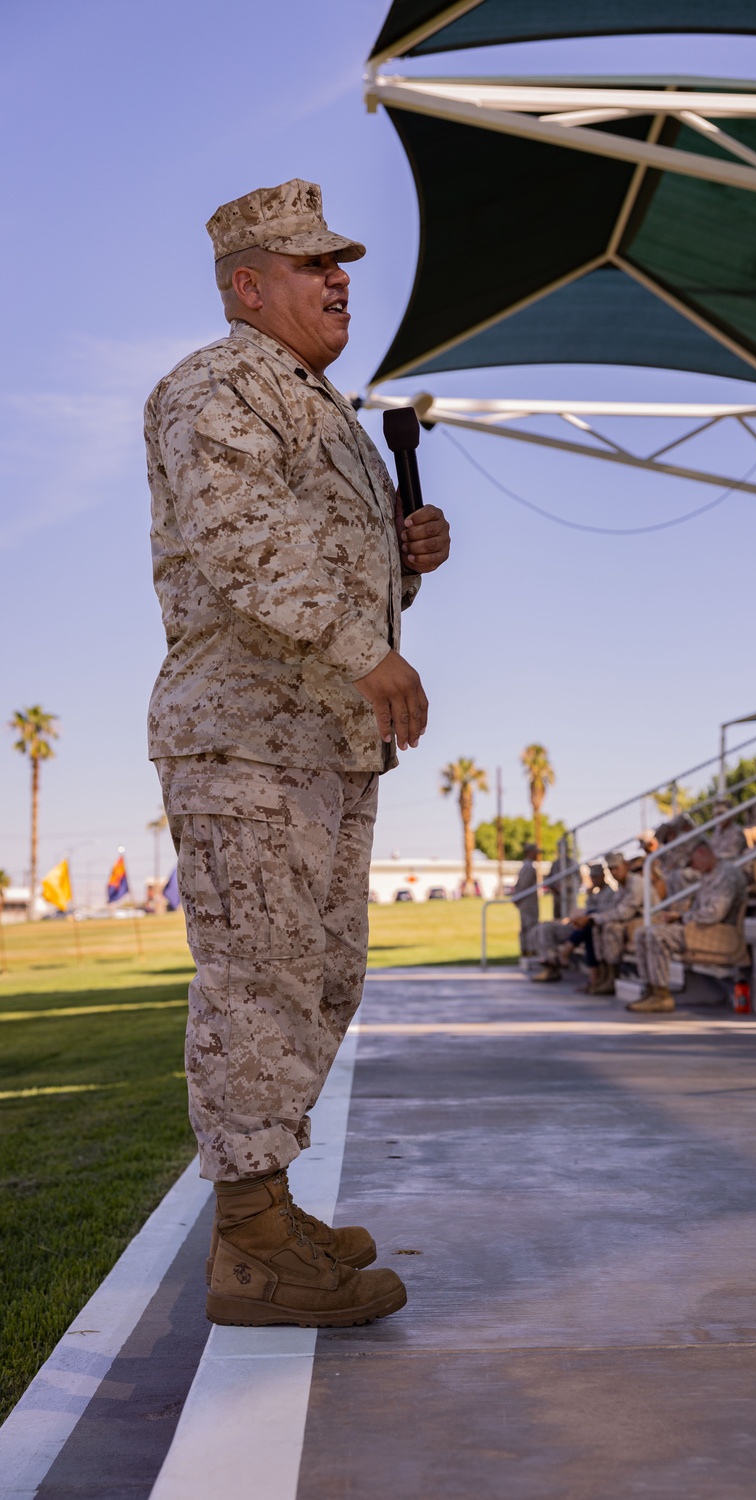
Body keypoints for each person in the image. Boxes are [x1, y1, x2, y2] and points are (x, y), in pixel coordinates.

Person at [146, 180, 452, 1329]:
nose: (338, 281)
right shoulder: (215, 385)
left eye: (342, 266)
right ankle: (252, 1246)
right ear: (247, 286)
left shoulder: (322, 412)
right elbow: (242, 543)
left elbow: (330, 554)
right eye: (312, 264)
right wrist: (367, 646)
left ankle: (268, 1208)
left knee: (321, 976)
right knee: (257, 977)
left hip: (324, 744)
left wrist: (407, 555)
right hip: (243, 739)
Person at [627, 842, 747, 1015]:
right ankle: (651, 990)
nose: (691, 867)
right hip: (702, 929)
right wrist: (678, 917)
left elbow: (715, 914)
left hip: (718, 934)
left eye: (691, 862)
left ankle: (662, 995)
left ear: (701, 852)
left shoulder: (726, 874)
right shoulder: (709, 874)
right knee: (642, 932)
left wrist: (682, 917)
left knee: (657, 934)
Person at [530, 860, 615, 987]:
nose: (593, 879)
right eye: (592, 877)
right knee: (543, 927)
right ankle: (550, 963)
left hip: (592, 927)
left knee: (583, 928)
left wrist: (583, 916)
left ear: (603, 876)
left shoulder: (610, 893)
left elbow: (598, 914)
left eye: (596, 876)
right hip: (579, 925)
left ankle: (559, 960)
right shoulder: (594, 893)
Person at [571, 851, 644, 995]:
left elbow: (624, 912)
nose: (614, 872)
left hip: (644, 921)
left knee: (610, 927)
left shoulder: (636, 883)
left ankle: (612, 976)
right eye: (610, 869)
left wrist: (592, 918)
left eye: (616, 868)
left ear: (625, 865)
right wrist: (593, 918)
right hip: (631, 922)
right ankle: (604, 975)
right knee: (598, 926)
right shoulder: (622, 885)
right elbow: (613, 910)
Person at [513, 842, 541, 955]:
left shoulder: (526, 866)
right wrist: (518, 898)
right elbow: (524, 885)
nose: (537, 855)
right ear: (530, 852)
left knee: (527, 925)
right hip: (528, 902)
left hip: (526, 901)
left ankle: (527, 948)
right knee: (530, 925)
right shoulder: (528, 867)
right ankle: (529, 949)